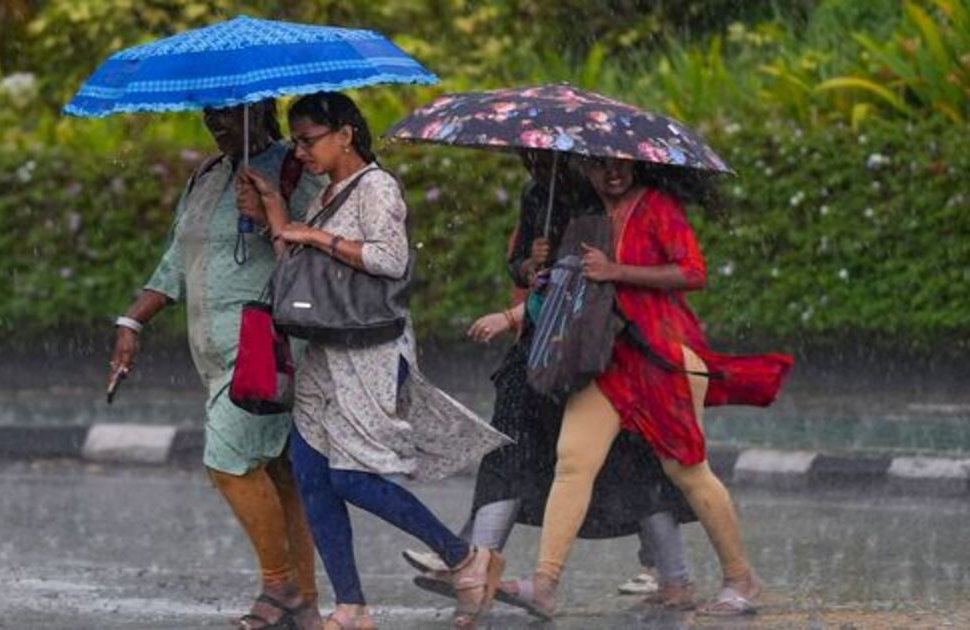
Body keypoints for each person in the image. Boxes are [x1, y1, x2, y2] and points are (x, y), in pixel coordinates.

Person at [241, 91, 511, 630]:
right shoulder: (328, 192)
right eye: (295, 141)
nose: (300, 152)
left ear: (345, 134)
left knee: (350, 476)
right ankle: (351, 606)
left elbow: (388, 261)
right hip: (325, 350)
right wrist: (275, 209)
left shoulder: (377, 187)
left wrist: (314, 233)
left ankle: (464, 557)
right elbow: (306, 270)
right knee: (313, 475)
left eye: (309, 140)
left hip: (369, 351)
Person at [501, 155, 794, 619]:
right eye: (600, 165)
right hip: (606, 360)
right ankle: (544, 584)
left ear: (637, 164)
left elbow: (693, 272)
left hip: (663, 358)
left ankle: (741, 579)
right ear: (586, 169)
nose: (612, 173)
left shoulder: (659, 206)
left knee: (687, 471)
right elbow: (575, 286)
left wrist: (617, 271)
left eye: (621, 165)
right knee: (573, 462)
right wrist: (541, 271)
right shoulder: (586, 216)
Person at [404, 151, 698, 611]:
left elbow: (605, 282)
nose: (535, 165)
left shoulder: (609, 198)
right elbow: (527, 266)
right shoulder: (538, 191)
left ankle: (677, 578)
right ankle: (476, 567)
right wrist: (529, 267)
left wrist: (551, 279)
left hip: (601, 351)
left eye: (544, 158)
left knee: (634, 461)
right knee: (511, 451)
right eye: (528, 158)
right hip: (543, 347)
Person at [107, 100, 326, 630]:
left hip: (268, 346)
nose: (216, 124)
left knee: (226, 459)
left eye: (227, 113)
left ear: (261, 110)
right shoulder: (207, 175)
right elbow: (176, 262)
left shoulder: (295, 170)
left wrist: (271, 214)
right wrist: (132, 322)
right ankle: (307, 604)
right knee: (278, 471)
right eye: (210, 115)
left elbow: (320, 256)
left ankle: (280, 588)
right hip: (212, 351)